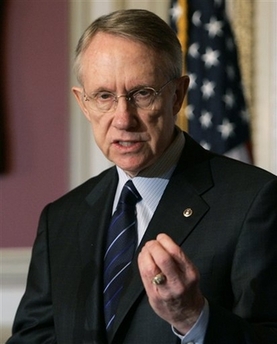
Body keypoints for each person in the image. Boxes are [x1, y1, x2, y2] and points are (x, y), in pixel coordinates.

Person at [6, 9, 277, 344]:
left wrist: (194, 318)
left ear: (177, 95)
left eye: (142, 93)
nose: (123, 118)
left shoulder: (253, 201)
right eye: (104, 96)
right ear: (83, 103)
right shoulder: (62, 218)